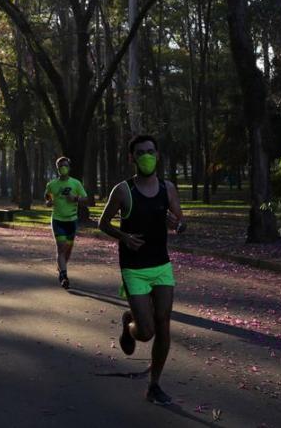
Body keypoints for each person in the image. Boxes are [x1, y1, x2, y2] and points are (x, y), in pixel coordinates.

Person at [98, 134, 183, 405]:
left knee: (164, 323)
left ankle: (154, 385)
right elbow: (103, 223)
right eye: (140, 152)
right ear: (131, 158)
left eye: (150, 151)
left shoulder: (168, 188)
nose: (146, 156)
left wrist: (177, 225)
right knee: (146, 332)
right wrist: (124, 237)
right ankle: (129, 323)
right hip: (134, 267)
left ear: (157, 155)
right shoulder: (123, 190)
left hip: (161, 265)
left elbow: (182, 223)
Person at [44, 157, 87, 289]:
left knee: (67, 250)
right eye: (61, 166)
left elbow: (85, 199)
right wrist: (49, 202)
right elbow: (47, 200)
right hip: (58, 220)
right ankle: (64, 276)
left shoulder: (76, 183)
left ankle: (61, 267)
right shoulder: (51, 185)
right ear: (57, 169)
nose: (63, 168)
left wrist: (75, 198)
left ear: (69, 167)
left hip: (72, 221)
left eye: (65, 165)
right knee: (61, 247)